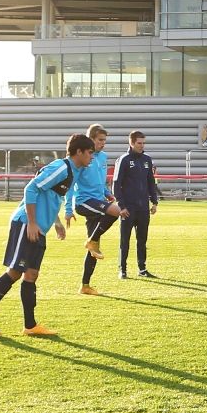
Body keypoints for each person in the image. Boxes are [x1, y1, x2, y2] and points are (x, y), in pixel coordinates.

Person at [0, 135, 87, 336]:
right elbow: (31, 188)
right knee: (15, 272)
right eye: (91, 152)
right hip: (26, 223)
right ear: (79, 152)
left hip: (39, 227)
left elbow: (51, 196)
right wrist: (32, 223)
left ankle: (30, 326)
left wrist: (57, 222)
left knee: (31, 274)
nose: (93, 157)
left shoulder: (73, 171)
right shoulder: (61, 168)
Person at [71, 125, 125, 295]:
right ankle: (91, 240)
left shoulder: (103, 157)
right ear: (91, 139)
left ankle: (85, 285)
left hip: (99, 201)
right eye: (100, 140)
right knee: (118, 212)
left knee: (94, 249)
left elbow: (100, 182)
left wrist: (107, 193)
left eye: (104, 140)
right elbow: (71, 184)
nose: (103, 143)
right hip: (84, 201)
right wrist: (67, 208)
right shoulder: (83, 157)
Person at [112, 130, 162, 278]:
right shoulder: (124, 160)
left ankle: (142, 269)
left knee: (142, 239)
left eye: (144, 143)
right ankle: (123, 269)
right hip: (128, 208)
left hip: (143, 208)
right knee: (124, 240)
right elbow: (116, 184)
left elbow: (150, 182)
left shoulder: (147, 160)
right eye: (139, 143)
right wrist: (121, 205)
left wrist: (154, 201)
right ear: (131, 143)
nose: (142, 146)